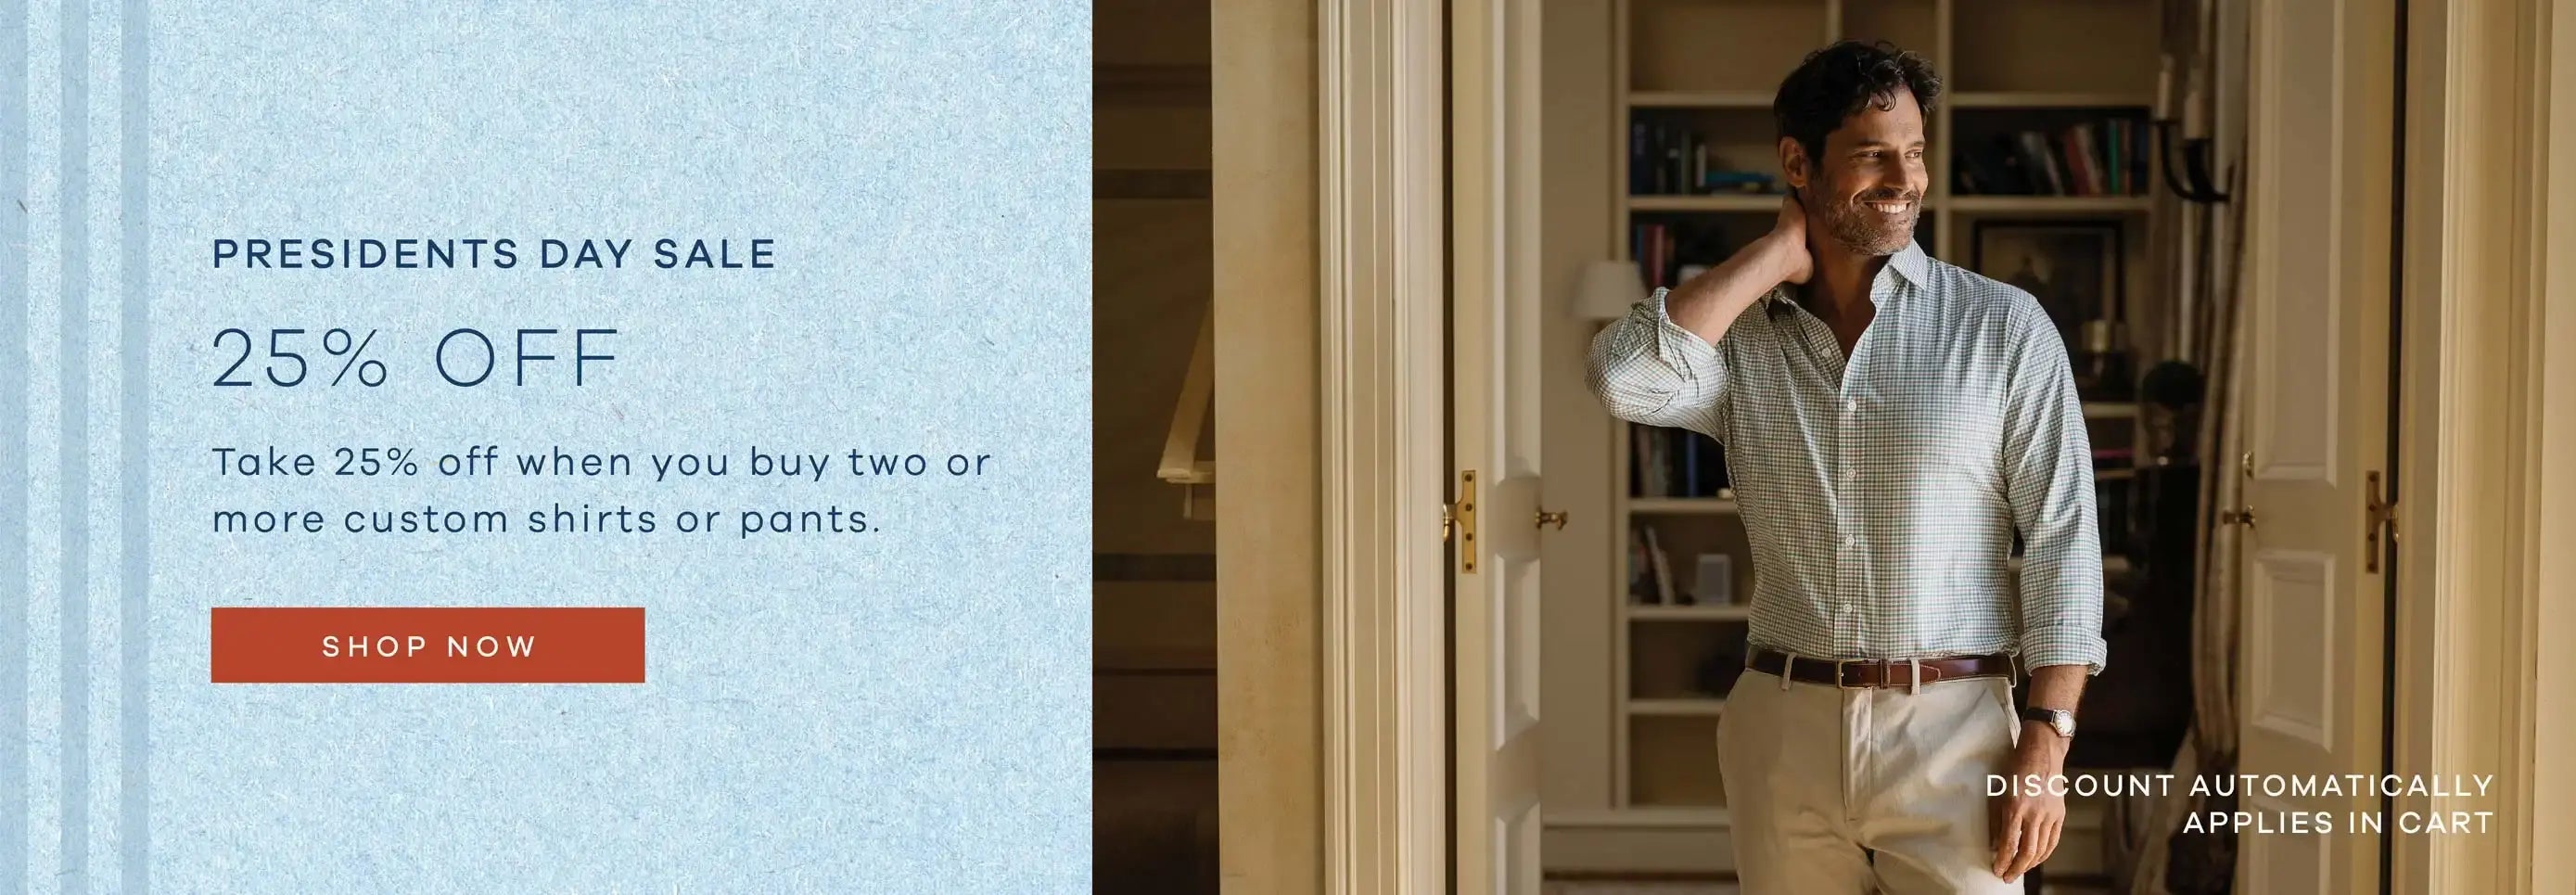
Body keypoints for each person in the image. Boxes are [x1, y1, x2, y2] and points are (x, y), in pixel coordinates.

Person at [1585, 40, 2107, 893]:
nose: (1905, 177)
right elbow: (1620, 379)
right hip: (1782, 728)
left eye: (1915, 150)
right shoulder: (1742, 341)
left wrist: (2045, 741)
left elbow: (2064, 541)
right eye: (1872, 153)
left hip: (1956, 732)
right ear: (1798, 163)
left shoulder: (2003, 328)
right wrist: (1774, 257)